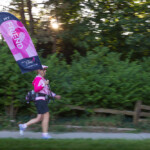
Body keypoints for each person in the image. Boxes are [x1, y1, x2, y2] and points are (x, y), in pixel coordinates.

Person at [19, 65, 61, 139]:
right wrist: (44, 84)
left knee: (39, 118)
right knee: (47, 115)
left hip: (41, 100)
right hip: (40, 100)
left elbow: (47, 91)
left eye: (45, 70)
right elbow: (36, 89)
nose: (45, 71)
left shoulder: (42, 79)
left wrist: (55, 95)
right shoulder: (38, 78)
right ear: (39, 70)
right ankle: (45, 135)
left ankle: (23, 126)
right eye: (44, 69)